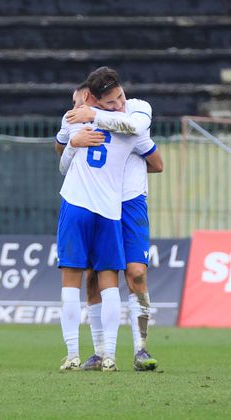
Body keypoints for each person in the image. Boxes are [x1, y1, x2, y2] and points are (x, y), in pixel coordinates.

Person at [57, 74, 163, 372]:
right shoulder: (77, 120)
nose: (118, 104)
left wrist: (94, 117)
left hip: (129, 201)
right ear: (95, 99)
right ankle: (101, 351)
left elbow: (156, 161)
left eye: (121, 97)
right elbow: (62, 152)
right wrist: (74, 141)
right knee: (95, 275)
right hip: (101, 202)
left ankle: (141, 348)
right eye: (110, 101)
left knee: (136, 273)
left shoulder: (138, 108)